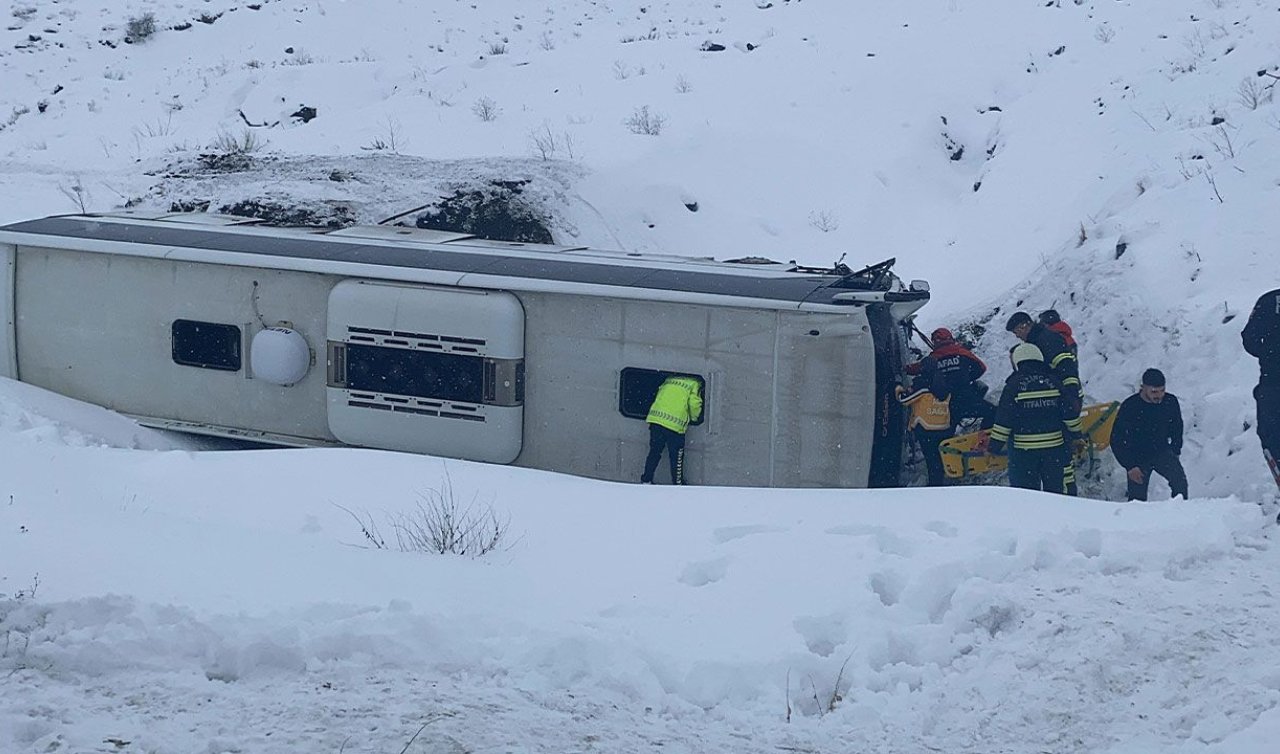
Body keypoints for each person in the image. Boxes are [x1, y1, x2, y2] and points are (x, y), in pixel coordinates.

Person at [988, 343, 1082, 494]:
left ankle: (1031, 517)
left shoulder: (1013, 385)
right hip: (1054, 449)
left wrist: (994, 447)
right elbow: (1070, 414)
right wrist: (1077, 435)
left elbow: (1004, 420)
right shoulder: (1054, 381)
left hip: (1024, 453)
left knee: (1026, 495)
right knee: (1056, 493)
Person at [1110, 368, 1188, 501]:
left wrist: (1176, 450)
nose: (1159, 395)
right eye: (1154, 392)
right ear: (1143, 388)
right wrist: (1130, 466)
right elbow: (1116, 439)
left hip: (1162, 451)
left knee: (1180, 483)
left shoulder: (1170, 402)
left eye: (1162, 390)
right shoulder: (1130, 406)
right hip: (1137, 457)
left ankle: (1179, 513)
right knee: (1137, 501)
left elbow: (1177, 427)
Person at [906, 327, 996, 429]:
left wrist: (903, 368)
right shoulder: (962, 352)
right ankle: (983, 436)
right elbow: (981, 368)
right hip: (968, 398)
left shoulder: (933, 358)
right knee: (993, 412)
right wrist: (967, 376)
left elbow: (915, 369)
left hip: (945, 406)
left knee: (947, 429)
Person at [1006, 310, 1082, 415]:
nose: (1017, 336)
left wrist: (1071, 395)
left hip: (1064, 395)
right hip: (1053, 396)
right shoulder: (1037, 341)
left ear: (1024, 326)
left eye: (1016, 332)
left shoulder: (1048, 339)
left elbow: (1066, 366)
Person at [1242, 288, 1280, 491]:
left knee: (1270, 437)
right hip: (1272, 383)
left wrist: (1269, 353)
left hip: (1273, 383)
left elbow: (1249, 339)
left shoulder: (1268, 300)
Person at [640, 374, 703, 484]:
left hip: (656, 420)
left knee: (654, 452)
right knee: (676, 457)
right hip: (674, 425)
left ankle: (646, 479)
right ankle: (677, 483)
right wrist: (694, 418)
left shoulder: (669, 379)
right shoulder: (694, 383)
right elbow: (694, 403)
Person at [897, 378, 953, 486]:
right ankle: (939, 483)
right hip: (942, 427)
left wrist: (898, 388)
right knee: (938, 461)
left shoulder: (922, 388)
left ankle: (934, 486)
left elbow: (903, 400)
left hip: (926, 429)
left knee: (931, 461)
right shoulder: (945, 386)